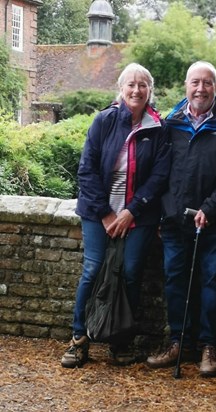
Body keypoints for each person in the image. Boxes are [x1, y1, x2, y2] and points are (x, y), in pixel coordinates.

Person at [61, 63, 170, 368]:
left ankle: (120, 341)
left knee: (132, 273)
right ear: (121, 89)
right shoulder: (104, 121)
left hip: (140, 215)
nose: (137, 90)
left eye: (143, 85)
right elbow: (87, 170)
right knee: (93, 270)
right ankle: (79, 339)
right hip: (99, 212)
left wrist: (130, 212)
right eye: (131, 85)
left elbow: (160, 176)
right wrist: (108, 214)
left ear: (150, 90)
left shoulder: (158, 128)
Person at [146, 61, 216, 377]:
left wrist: (210, 209)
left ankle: (209, 345)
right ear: (186, 86)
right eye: (195, 82)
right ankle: (178, 341)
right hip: (175, 222)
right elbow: (160, 172)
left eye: (207, 83)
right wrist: (167, 211)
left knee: (213, 281)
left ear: (215, 87)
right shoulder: (170, 123)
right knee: (175, 281)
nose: (200, 89)